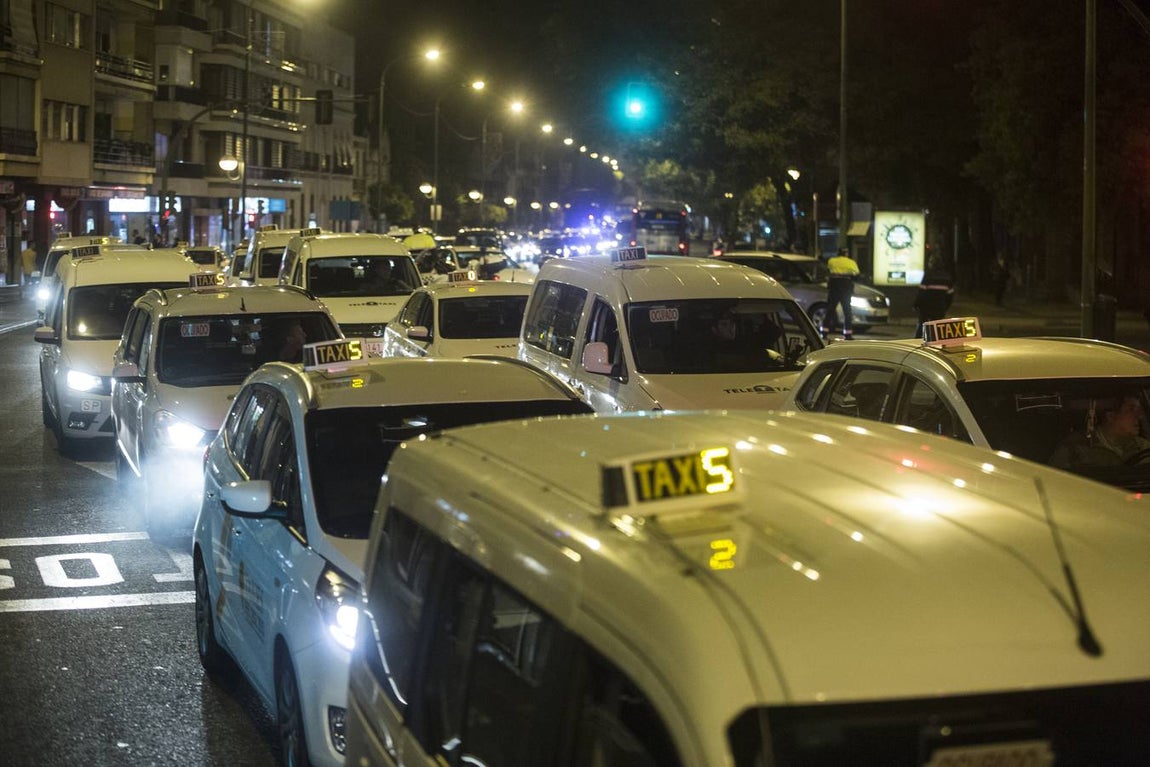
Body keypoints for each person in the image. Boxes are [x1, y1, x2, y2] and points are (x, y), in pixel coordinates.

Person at [1050, 396, 1150, 469]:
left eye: (1139, 410)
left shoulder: (1143, 447)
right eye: (1131, 410)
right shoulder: (1075, 449)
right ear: (1110, 416)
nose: (1139, 416)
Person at [824, 247, 860, 339]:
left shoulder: (832, 261)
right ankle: (848, 334)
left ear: (838, 253)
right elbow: (856, 274)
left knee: (830, 309)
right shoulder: (851, 262)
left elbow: (828, 271)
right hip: (846, 286)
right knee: (847, 311)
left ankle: (824, 332)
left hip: (834, 286)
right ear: (846, 254)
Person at [913, 261, 955, 338]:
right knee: (938, 328)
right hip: (939, 307)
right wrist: (945, 307)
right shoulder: (947, 277)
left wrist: (916, 304)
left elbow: (921, 293)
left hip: (926, 307)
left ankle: (917, 341)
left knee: (922, 325)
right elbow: (950, 296)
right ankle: (936, 342)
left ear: (932, 265)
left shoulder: (928, 276)